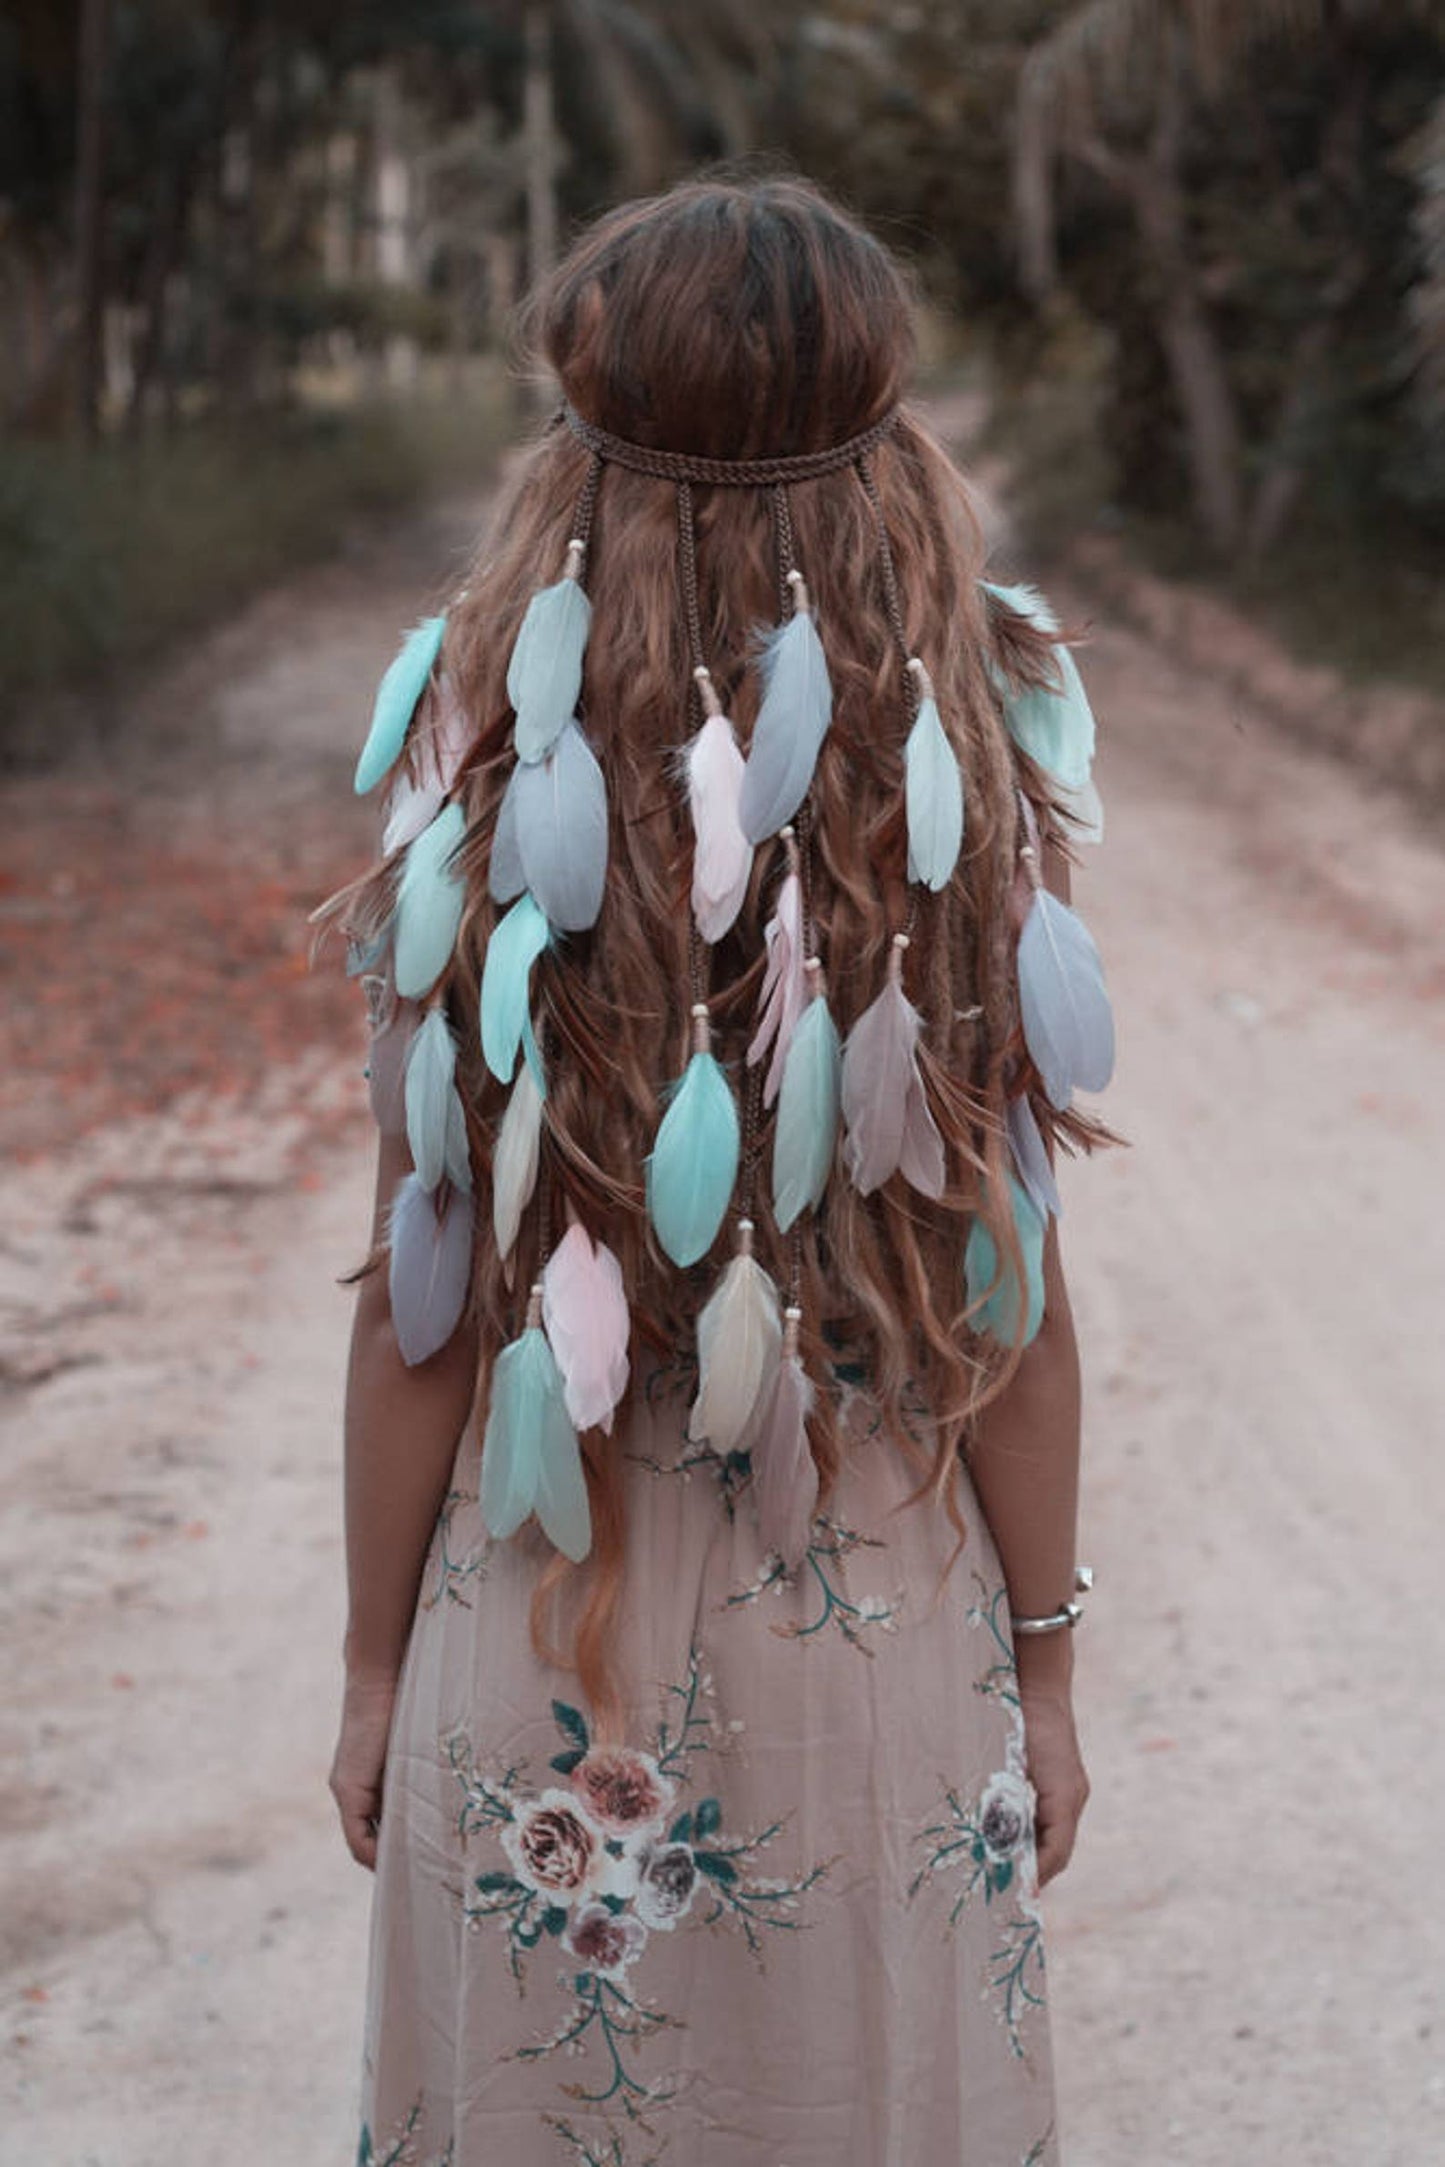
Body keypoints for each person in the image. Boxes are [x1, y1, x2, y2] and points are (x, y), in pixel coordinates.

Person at [320, 174, 1119, 2167]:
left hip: (541, 1621)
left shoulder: (486, 742)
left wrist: (363, 1660)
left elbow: (433, 1288)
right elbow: (1004, 1291)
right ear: (892, 436)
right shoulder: (973, 747)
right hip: (869, 1654)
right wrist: (1050, 1664)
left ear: (574, 439)